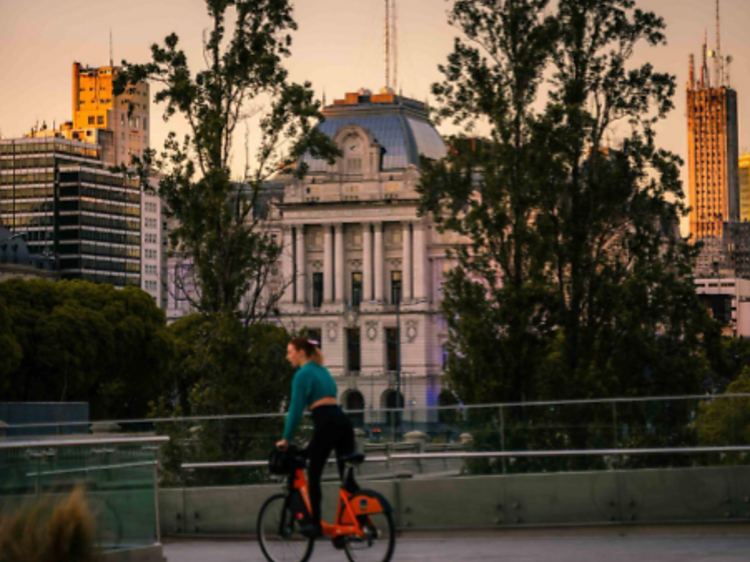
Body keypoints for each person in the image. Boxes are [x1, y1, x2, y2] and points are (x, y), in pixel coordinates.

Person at [276, 337, 355, 538]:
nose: (287, 357)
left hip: (325, 420)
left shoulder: (302, 375)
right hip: (342, 420)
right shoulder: (323, 370)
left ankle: (315, 525)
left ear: (301, 352)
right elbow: (332, 394)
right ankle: (360, 522)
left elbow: (295, 409)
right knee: (346, 476)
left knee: (314, 475)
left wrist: (286, 439)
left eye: (290, 351)